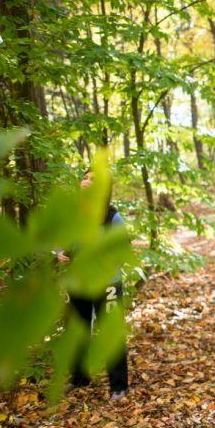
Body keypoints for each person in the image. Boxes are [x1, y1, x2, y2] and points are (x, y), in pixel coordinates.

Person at [59, 171, 130, 402]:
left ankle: (119, 387)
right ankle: (79, 377)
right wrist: (60, 254)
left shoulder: (112, 218)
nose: (87, 181)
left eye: (94, 179)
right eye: (85, 177)